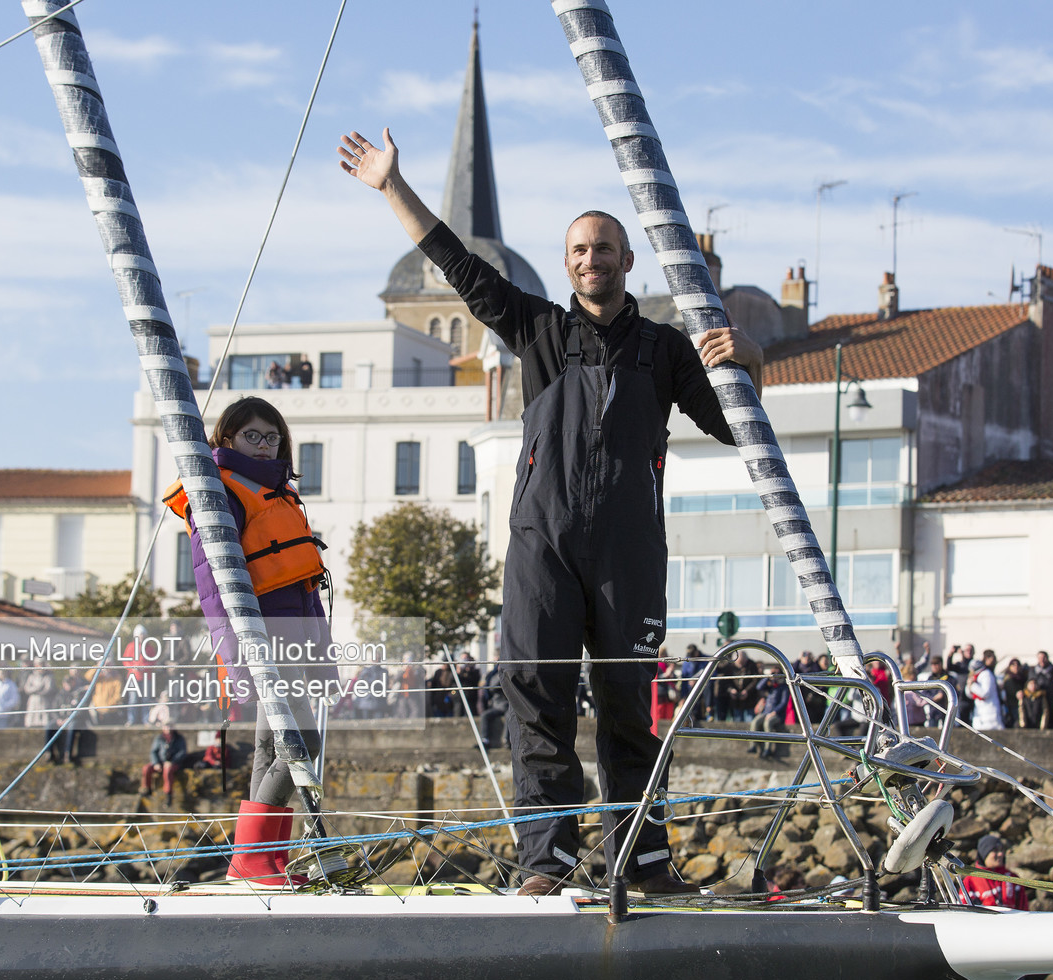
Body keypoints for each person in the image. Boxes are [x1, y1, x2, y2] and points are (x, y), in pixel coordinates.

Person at [340, 125, 763, 898]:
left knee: (629, 713)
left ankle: (643, 863)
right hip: (543, 549)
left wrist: (749, 360)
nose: (591, 259)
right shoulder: (537, 328)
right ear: (567, 264)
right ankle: (549, 862)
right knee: (536, 703)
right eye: (578, 250)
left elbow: (737, 425)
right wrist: (392, 186)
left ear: (627, 261)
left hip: (631, 554)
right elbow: (456, 263)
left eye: (604, 249)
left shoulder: (665, 350)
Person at [161, 395, 329, 886]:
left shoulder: (277, 494)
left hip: (290, 637)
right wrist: (235, 651)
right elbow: (211, 580)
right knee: (303, 741)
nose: (262, 445)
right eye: (252, 436)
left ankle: (259, 863)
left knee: (269, 747)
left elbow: (303, 585)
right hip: (262, 637)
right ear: (227, 438)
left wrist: (320, 653)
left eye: (271, 437)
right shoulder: (220, 491)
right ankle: (254, 859)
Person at [962, 835, 1030, 910]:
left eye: (1001, 850)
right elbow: (964, 911)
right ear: (984, 854)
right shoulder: (970, 882)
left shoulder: (1012, 879)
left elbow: (1024, 910)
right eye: (995, 850)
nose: (1001, 854)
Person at [139, 725, 189, 801]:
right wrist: (156, 763)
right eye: (166, 726)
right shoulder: (159, 738)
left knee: (167, 770)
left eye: (170, 726)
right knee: (146, 768)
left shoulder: (179, 738)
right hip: (160, 762)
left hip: (174, 763)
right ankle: (147, 790)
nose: (168, 728)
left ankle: (168, 793)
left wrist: (172, 761)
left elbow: (182, 752)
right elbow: (153, 752)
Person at [966, 652, 1003, 731]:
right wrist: (969, 685)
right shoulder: (974, 676)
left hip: (990, 712)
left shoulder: (986, 674)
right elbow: (969, 695)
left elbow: (985, 693)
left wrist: (973, 685)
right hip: (979, 712)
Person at [650, 650, 678, 737]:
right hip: (660, 695)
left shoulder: (668, 666)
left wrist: (671, 673)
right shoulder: (657, 666)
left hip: (668, 696)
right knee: (659, 715)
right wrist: (666, 674)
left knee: (668, 716)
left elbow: (675, 680)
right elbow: (656, 678)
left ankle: (667, 735)